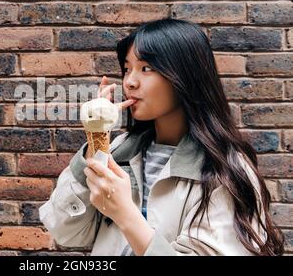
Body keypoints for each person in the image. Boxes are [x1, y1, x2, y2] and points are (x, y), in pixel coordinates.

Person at [39, 18, 284, 256]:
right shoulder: (120, 152)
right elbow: (66, 234)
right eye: (127, 69)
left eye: (146, 68)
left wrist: (126, 214)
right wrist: (95, 144)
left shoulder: (223, 171)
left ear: (185, 75)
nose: (130, 82)